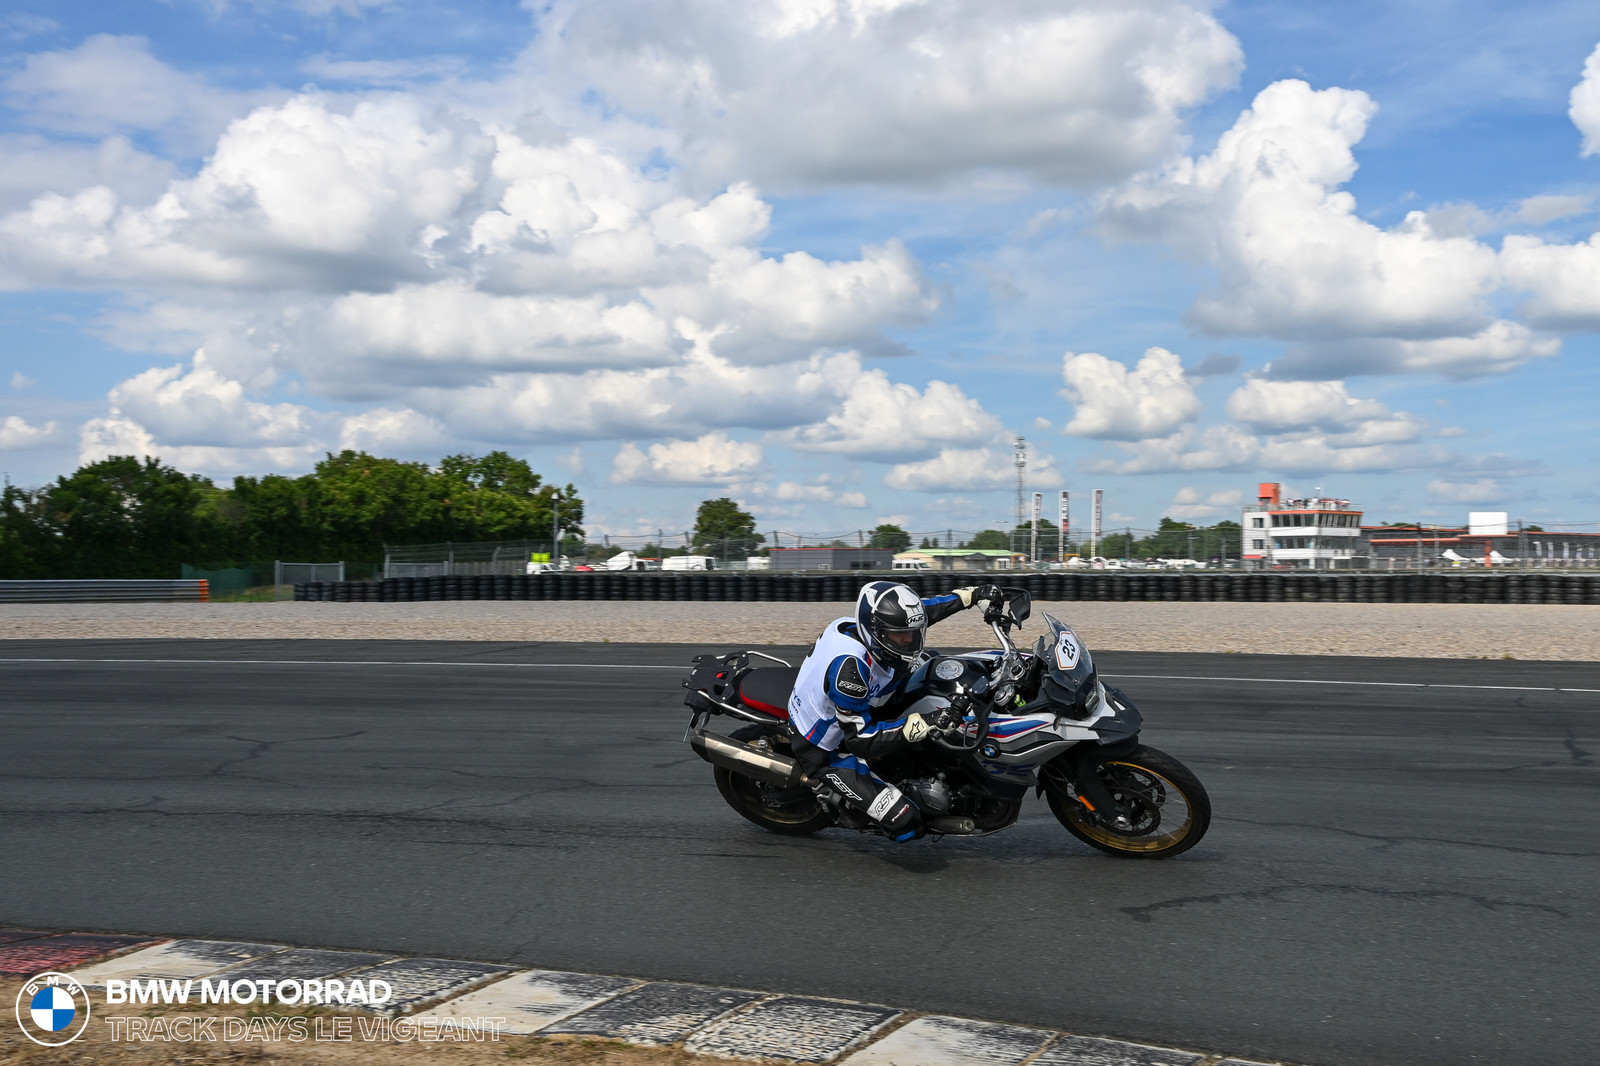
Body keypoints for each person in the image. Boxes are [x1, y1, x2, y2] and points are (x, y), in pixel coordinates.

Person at [786, 579, 1004, 840]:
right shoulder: (850, 672)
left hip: (862, 698)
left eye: (912, 633)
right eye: (898, 635)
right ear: (875, 630)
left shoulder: (877, 626)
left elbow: (925, 611)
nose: (908, 640)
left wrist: (971, 595)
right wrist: (924, 723)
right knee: (907, 823)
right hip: (824, 746)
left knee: (931, 665)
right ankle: (853, 805)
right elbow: (859, 740)